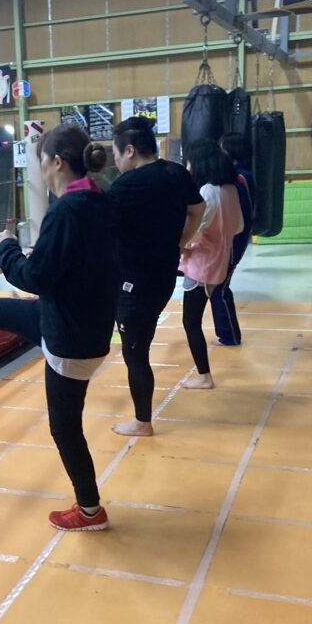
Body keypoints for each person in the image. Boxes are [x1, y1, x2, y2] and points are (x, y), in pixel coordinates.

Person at [0, 123, 116, 531]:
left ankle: (90, 511)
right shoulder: (97, 200)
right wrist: (8, 263)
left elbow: (35, 276)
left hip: (71, 338)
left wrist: (6, 247)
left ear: (56, 162)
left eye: (41, 163)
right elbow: (63, 262)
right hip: (78, 320)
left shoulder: (67, 210)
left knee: (64, 429)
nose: (41, 172)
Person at [108, 116, 206, 436]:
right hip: (165, 276)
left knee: (135, 354)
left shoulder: (125, 186)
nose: (116, 161)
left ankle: (142, 422)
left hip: (135, 282)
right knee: (139, 345)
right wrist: (181, 240)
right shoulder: (176, 172)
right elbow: (198, 209)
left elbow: (98, 232)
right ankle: (142, 418)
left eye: (116, 154)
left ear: (130, 150)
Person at [179, 139, 244, 389]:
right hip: (220, 260)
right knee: (193, 320)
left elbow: (195, 229)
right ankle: (204, 374)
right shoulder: (231, 189)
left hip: (202, 265)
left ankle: (204, 376)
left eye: (189, 162)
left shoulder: (208, 191)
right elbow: (238, 227)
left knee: (191, 322)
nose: (188, 167)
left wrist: (182, 244)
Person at [211, 132, 255, 346]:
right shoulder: (237, 176)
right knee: (216, 285)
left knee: (219, 286)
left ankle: (230, 335)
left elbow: (240, 213)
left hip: (235, 238)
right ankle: (227, 333)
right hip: (231, 237)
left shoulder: (240, 178)